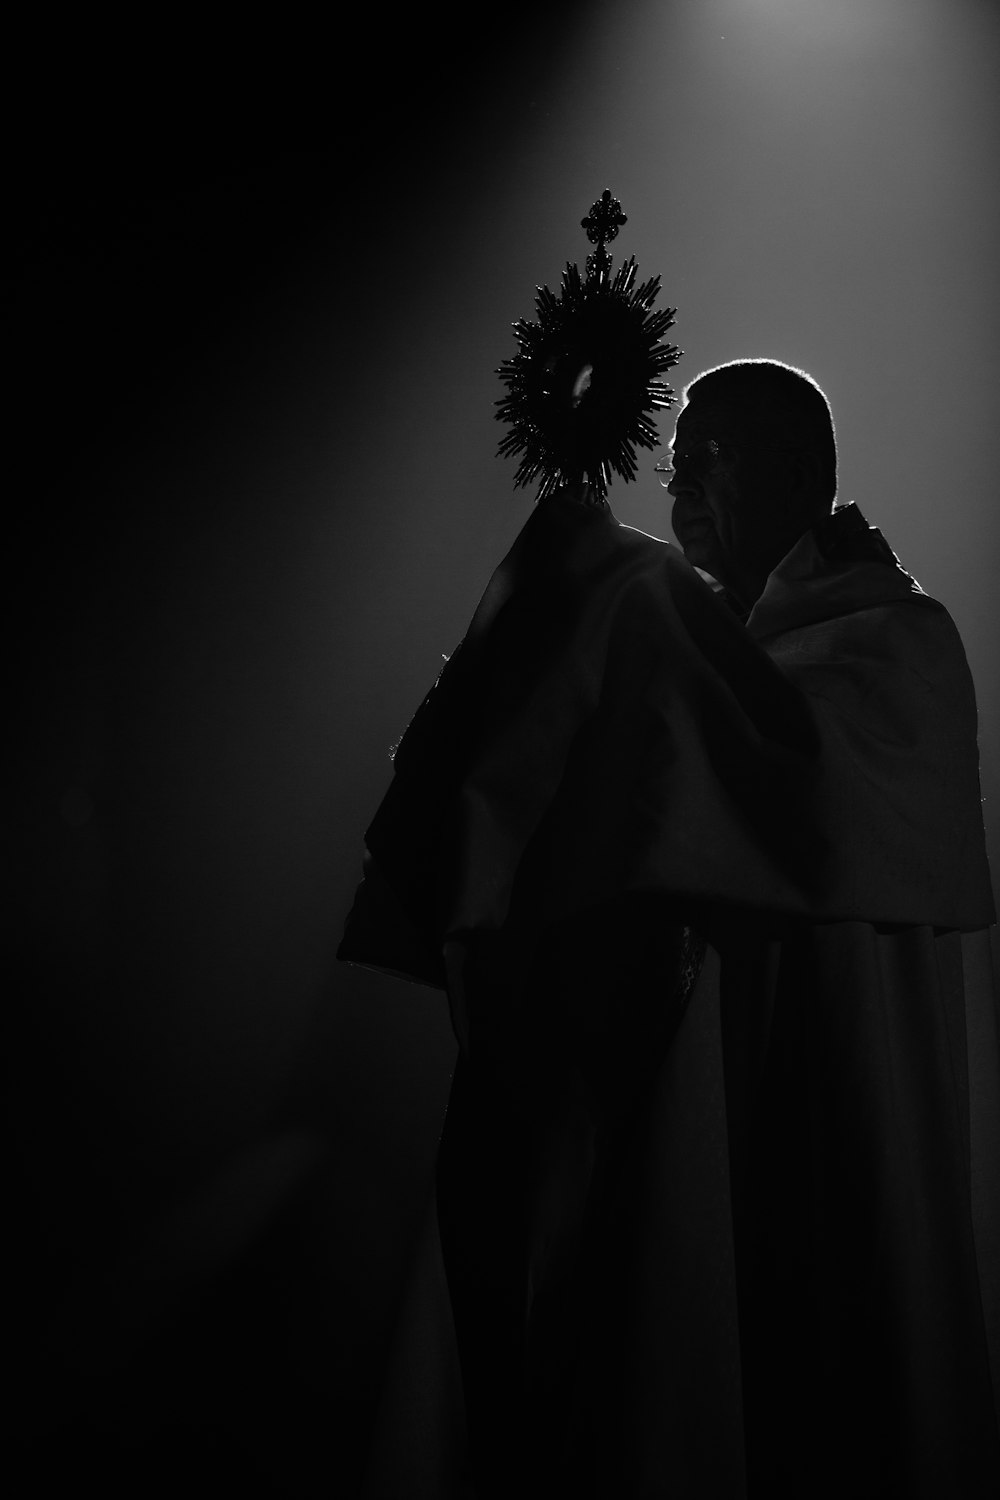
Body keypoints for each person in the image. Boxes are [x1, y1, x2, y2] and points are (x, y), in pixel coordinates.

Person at [339, 359, 1000, 1498]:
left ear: (796, 471)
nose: (681, 478)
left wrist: (600, 575)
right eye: (674, 457)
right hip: (699, 1100)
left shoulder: (899, 644)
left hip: (824, 1091)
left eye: (713, 454)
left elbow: (782, 777)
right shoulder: (711, 665)